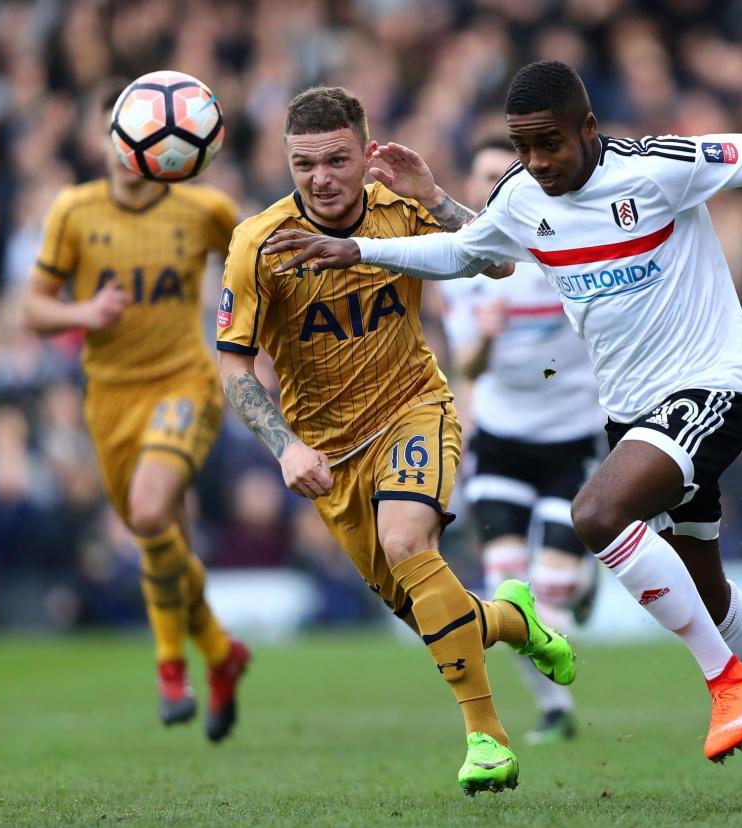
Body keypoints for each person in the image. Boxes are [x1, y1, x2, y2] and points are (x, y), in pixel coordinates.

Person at [262, 61, 742, 806]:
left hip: (708, 388)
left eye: (550, 144)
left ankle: (726, 680)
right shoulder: (524, 198)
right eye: (524, 147)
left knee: (595, 515)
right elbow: (467, 253)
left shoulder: (658, 170)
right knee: (708, 594)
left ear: (589, 128)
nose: (538, 163)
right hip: (632, 415)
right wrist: (361, 249)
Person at [214, 86, 576, 795]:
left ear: (363, 150)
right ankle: (514, 618)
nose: (321, 178)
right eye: (304, 163)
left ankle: (487, 739)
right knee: (430, 613)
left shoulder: (399, 205)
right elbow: (234, 367)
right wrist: (286, 445)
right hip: (329, 454)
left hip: (414, 406)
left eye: (337, 160)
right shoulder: (257, 244)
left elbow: (499, 263)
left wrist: (437, 196)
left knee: (410, 544)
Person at [21, 84, 250, 742]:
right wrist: (81, 314)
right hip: (109, 400)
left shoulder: (205, 210)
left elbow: (256, 267)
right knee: (161, 538)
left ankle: (172, 666)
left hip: (183, 383)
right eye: (115, 138)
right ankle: (220, 654)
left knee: (150, 515)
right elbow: (32, 308)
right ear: (103, 143)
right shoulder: (73, 211)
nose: (127, 151)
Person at [440, 137, 605, 744]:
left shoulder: (562, 249)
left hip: (570, 439)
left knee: (553, 598)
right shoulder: (465, 269)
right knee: (507, 590)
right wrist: (483, 337)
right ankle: (556, 709)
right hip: (504, 437)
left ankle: (581, 576)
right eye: (483, 177)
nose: (493, 188)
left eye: (501, 175)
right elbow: (470, 367)